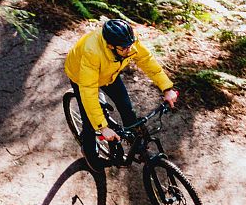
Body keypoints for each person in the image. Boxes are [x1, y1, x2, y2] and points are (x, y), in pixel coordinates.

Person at [64, 18, 178, 169]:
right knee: (90, 122)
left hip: (108, 74)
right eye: (124, 49)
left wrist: (167, 88)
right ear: (110, 46)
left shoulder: (127, 41)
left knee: (126, 107)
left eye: (130, 46)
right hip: (81, 76)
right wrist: (103, 127)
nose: (129, 50)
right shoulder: (92, 52)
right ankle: (90, 153)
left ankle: (134, 143)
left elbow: (146, 60)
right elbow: (88, 92)